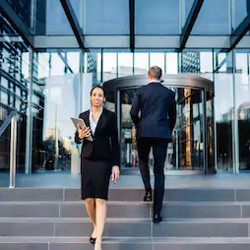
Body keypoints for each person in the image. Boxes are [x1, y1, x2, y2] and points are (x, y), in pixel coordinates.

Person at [75, 86, 120, 250]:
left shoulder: (110, 116)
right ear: (90, 97)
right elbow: (77, 139)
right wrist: (79, 136)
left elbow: (115, 142)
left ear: (104, 99)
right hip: (87, 159)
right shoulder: (82, 116)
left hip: (103, 161)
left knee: (100, 199)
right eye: (94, 95)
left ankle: (99, 239)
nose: (97, 97)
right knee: (88, 199)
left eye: (100, 95)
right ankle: (96, 226)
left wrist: (116, 164)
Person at [130, 66, 176, 224]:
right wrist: (167, 129)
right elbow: (173, 116)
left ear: (148, 76)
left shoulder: (141, 91)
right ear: (160, 76)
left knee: (142, 160)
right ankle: (156, 214)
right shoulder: (169, 93)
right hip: (162, 133)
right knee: (159, 171)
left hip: (144, 132)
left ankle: (148, 190)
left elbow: (133, 113)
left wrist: (139, 126)